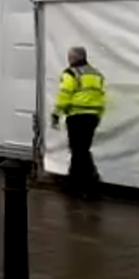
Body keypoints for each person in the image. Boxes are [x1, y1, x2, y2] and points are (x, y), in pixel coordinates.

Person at [51, 46, 106, 199]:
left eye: (69, 57)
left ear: (73, 58)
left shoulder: (71, 73)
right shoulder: (96, 74)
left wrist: (56, 114)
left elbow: (65, 94)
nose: (68, 60)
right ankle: (74, 182)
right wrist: (98, 115)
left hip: (77, 116)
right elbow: (101, 96)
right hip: (92, 117)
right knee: (81, 149)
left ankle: (90, 184)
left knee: (80, 151)